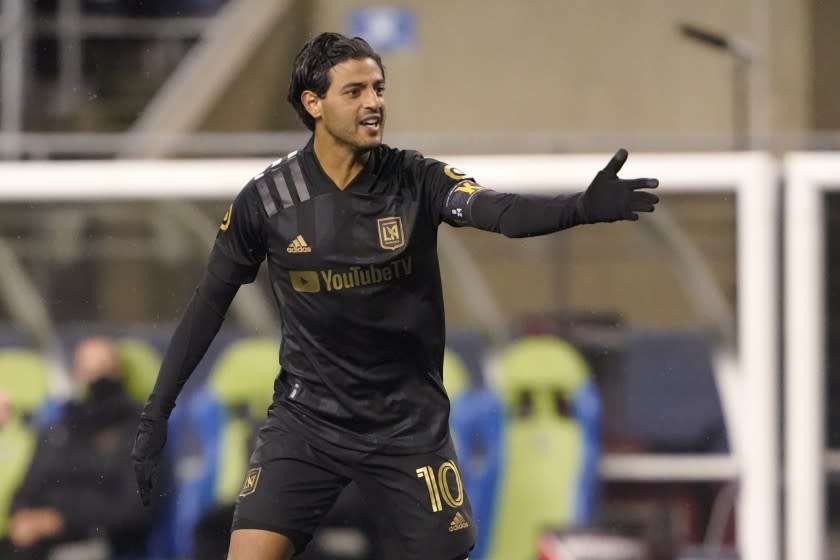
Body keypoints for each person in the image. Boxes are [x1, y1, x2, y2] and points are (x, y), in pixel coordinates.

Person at [131, 31, 659, 560]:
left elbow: (497, 212)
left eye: (378, 88)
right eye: (355, 91)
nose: (374, 102)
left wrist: (578, 207)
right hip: (308, 421)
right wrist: (157, 413)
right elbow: (208, 304)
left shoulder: (416, 179)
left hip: (407, 426)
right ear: (313, 104)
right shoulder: (267, 201)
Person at [9, 337, 153, 560]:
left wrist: (62, 519)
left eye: (103, 368)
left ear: (119, 372)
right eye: (86, 368)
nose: (95, 378)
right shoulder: (60, 429)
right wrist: (23, 516)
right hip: (35, 541)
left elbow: (134, 510)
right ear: (75, 373)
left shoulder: (137, 432)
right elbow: (27, 488)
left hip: (99, 540)